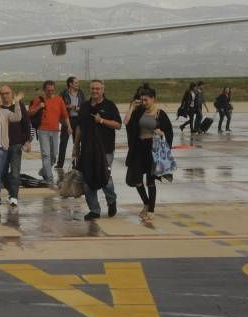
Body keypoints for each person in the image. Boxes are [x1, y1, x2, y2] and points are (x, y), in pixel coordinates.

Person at [72, 80, 122, 221]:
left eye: (98, 89)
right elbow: (79, 128)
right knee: (87, 180)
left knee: (104, 177)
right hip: (87, 150)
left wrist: (101, 121)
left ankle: (111, 200)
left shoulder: (109, 105)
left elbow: (118, 125)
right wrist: (76, 147)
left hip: (105, 149)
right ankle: (94, 210)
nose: (95, 91)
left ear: (103, 90)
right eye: (93, 88)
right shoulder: (84, 106)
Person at [125, 87, 173, 223]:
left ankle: (151, 210)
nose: (144, 102)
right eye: (142, 100)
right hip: (139, 148)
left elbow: (169, 132)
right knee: (136, 180)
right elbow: (127, 123)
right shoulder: (139, 112)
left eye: (146, 99)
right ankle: (146, 202)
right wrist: (131, 108)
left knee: (150, 181)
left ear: (153, 99)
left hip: (153, 149)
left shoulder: (160, 114)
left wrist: (162, 133)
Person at [28, 80, 73, 186]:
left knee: (54, 155)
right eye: (48, 90)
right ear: (44, 90)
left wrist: (69, 127)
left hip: (55, 130)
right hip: (43, 130)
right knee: (46, 154)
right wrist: (39, 106)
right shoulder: (39, 100)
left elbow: (65, 114)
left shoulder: (59, 99)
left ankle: (44, 171)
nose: (50, 92)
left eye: (52, 90)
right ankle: (49, 178)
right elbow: (29, 113)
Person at [0, 85, 30, 206]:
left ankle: (14, 197)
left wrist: (27, 141)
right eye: (2, 94)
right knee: (2, 173)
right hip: (2, 145)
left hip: (17, 144)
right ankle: (12, 191)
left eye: (7, 93)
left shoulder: (19, 105)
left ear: (12, 94)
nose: (5, 96)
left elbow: (26, 123)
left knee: (15, 172)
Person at [57, 76, 85, 168]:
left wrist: (79, 109)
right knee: (63, 142)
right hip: (67, 120)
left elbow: (85, 106)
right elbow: (59, 105)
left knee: (77, 143)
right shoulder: (63, 93)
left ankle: (76, 163)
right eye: (76, 83)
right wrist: (67, 106)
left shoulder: (80, 93)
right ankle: (60, 164)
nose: (78, 84)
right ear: (70, 84)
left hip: (78, 119)